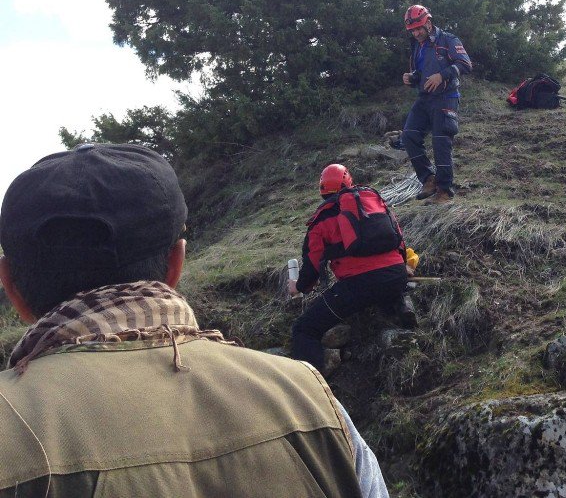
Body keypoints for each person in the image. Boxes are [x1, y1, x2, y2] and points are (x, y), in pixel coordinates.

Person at [0, 143, 389, 498]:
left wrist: (301, 285)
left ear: (10, 286)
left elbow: (311, 268)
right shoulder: (314, 400)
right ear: (176, 264)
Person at [290, 164, 416, 372]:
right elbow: (399, 240)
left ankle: (313, 386)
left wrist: (299, 287)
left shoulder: (322, 219)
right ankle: (398, 305)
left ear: (322, 190)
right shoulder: (374, 203)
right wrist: (402, 266)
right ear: (349, 181)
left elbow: (312, 266)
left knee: (304, 329)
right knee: (385, 289)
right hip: (396, 275)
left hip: (359, 286)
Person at [401, 4, 473, 204]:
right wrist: (411, 78)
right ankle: (429, 179)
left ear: (428, 23)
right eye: (412, 30)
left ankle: (444, 191)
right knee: (408, 136)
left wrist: (442, 75)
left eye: (419, 28)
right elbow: (420, 73)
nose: (416, 33)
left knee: (441, 142)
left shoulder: (448, 40)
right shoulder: (416, 46)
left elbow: (465, 64)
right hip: (424, 98)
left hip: (446, 97)